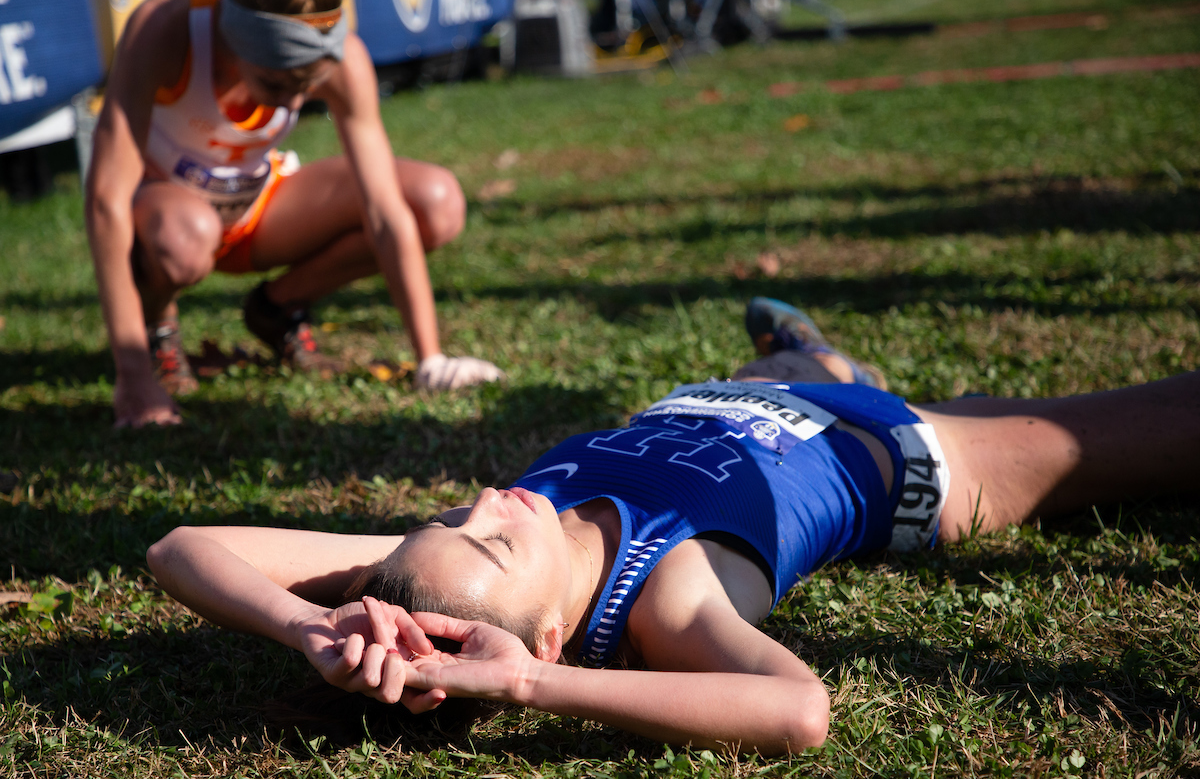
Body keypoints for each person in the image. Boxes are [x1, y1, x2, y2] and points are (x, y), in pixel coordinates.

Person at [147, 298, 1200, 755]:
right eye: (492, 537)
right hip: (925, 455)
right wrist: (521, 684)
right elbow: (798, 710)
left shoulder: (444, 566)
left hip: (741, 398)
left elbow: (179, 545)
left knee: (795, 367)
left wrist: (307, 629)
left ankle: (813, 351)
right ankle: (832, 365)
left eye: (452, 512)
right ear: (544, 633)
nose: (487, 500)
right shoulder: (667, 591)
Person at [86, 0, 503, 429]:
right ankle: (157, 330)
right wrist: (131, 377)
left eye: (308, 84)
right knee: (184, 236)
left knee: (435, 202)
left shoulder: (340, 53)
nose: (293, 101)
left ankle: (277, 308)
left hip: (257, 208)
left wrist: (431, 360)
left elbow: (385, 210)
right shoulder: (168, 25)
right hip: (167, 224)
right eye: (275, 82)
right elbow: (106, 199)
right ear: (236, 38)